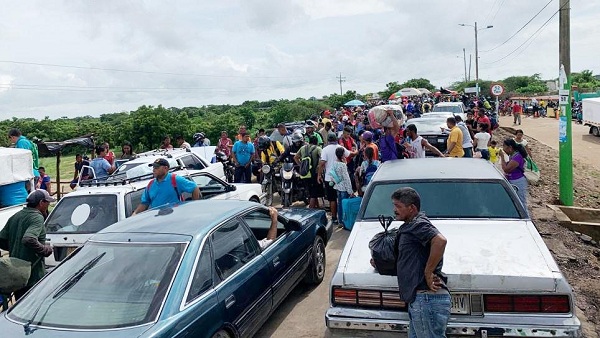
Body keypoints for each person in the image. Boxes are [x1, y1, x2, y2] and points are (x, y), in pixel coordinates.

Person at [391, 187, 450, 337]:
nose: (394, 210)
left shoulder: (419, 224)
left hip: (426, 300)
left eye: (398, 206)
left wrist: (428, 272)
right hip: (421, 300)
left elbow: (440, 241)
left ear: (412, 208)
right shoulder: (411, 226)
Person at [0, 189, 55, 300]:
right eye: (47, 202)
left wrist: (15, 247)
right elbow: (28, 239)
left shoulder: (16, 216)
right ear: (41, 203)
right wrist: (44, 249)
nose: (48, 205)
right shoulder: (37, 218)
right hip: (33, 275)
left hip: (16, 273)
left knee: (19, 306)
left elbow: (1, 239)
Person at [132, 158, 200, 215]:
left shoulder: (175, 179)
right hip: (156, 219)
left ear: (166, 168)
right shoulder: (151, 184)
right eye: (153, 167)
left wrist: (194, 208)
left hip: (174, 217)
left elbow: (194, 187)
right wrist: (134, 214)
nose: (154, 170)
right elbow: (144, 203)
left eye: (157, 167)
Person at [318, 133, 350, 224]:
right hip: (341, 179)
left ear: (328, 140)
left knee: (332, 199)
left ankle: (334, 218)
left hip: (330, 178)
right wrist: (355, 151)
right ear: (336, 139)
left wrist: (319, 175)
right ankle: (343, 219)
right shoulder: (340, 148)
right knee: (341, 198)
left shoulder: (325, 149)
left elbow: (322, 163)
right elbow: (349, 154)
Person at [499, 139, 529, 215]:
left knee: (520, 201)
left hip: (518, 181)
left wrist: (502, 157)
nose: (503, 149)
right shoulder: (512, 155)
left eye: (504, 147)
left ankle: (525, 217)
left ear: (510, 147)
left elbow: (506, 169)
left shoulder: (517, 157)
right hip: (513, 180)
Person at [294, 135, 323, 209]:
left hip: (305, 173)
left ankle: (317, 207)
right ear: (316, 142)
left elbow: (295, 157)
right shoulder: (318, 148)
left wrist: (301, 166)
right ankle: (311, 209)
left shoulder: (303, 148)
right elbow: (322, 159)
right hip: (314, 173)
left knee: (310, 191)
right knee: (314, 192)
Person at [330, 147, 354, 228]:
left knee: (339, 205)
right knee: (344, 206)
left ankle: (340, 221)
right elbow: (346, 178)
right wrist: (350, 191)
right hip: (344, 188)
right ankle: (345, 222)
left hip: (337, 187)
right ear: (342, 154)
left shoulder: (334, 163)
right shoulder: (343, 165)